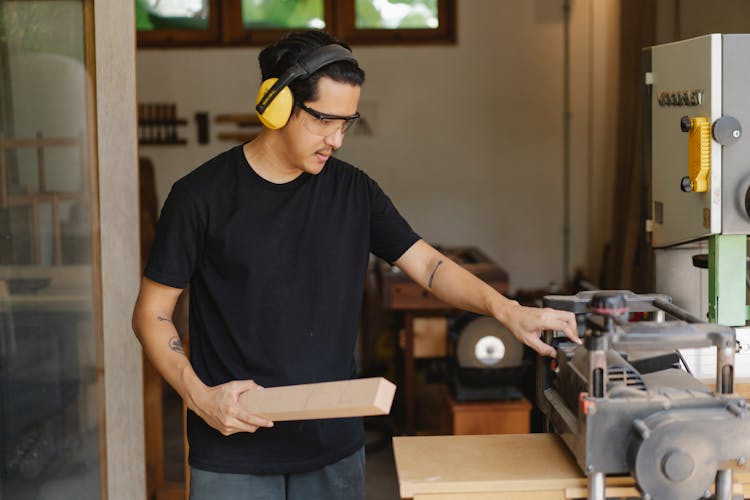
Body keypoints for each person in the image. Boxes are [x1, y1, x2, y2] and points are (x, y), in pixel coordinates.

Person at [131, 29, 579, 500]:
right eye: (325, 120)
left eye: (348, 123)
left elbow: (427, 265)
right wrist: (199, 397)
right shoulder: (199, 197)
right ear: (277, 104)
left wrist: (508, 311)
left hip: (333, 449)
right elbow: (151, 314)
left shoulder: (355, 192)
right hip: (231, 449)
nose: (337, 140)